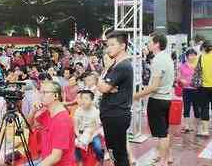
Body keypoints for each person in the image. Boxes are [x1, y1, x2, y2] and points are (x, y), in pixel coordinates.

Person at [134, 32, 175, 166]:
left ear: (157, 43)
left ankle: (162, 161)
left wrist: (136, 96)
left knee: (161, 133)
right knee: (164, 131)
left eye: (150, 42)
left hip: (157, 99)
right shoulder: (167, 57)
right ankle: (167, 157)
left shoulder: (158, 60)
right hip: (166, 98)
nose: (148, 44)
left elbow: (154, 86)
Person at [98, 31, 133, 166]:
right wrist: (105, 82)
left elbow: (103, 88)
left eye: (112, 45)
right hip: (111, 115)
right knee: (115, 152)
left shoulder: (122, 66)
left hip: (116, 115)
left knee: (119, 154)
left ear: (123, 46)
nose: (109, 48)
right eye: (108, 45)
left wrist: (103, 82)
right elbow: (105, 87)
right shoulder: (115, 65)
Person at [27, 80, 75, 166]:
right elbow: (29, 126)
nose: (41, 96)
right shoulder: (48, 113)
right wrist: (33, 111)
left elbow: (55, 157)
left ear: (56, 95)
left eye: (44, 92)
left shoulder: (62, 120)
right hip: (45, 159)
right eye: (40, 92)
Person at [74, 90, 104, 166]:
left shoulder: (96, 112)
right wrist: (78, 135)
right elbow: (76, 125)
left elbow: (98, 126)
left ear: (92, 100)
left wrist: (91, 136)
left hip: (92, 133)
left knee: (98, 147)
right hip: (81, 133)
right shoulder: (78, 110)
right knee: (75, 144)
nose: (83, 101)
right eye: (82, 98)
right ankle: (79, 161)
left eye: (86, 98)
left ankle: (99, 159)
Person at [176, 49, 200, 133]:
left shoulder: (198, 66)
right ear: (187, 56)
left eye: (194, 55)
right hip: (186, 90)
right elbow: (178, 78)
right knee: (186, 108)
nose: (192, 57)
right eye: (190, 55)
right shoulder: (182, 66)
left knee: (197, 108)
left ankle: (196, 126)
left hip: (197, 90)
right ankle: (186, 126)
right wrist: (181, 80)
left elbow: (201, 77)